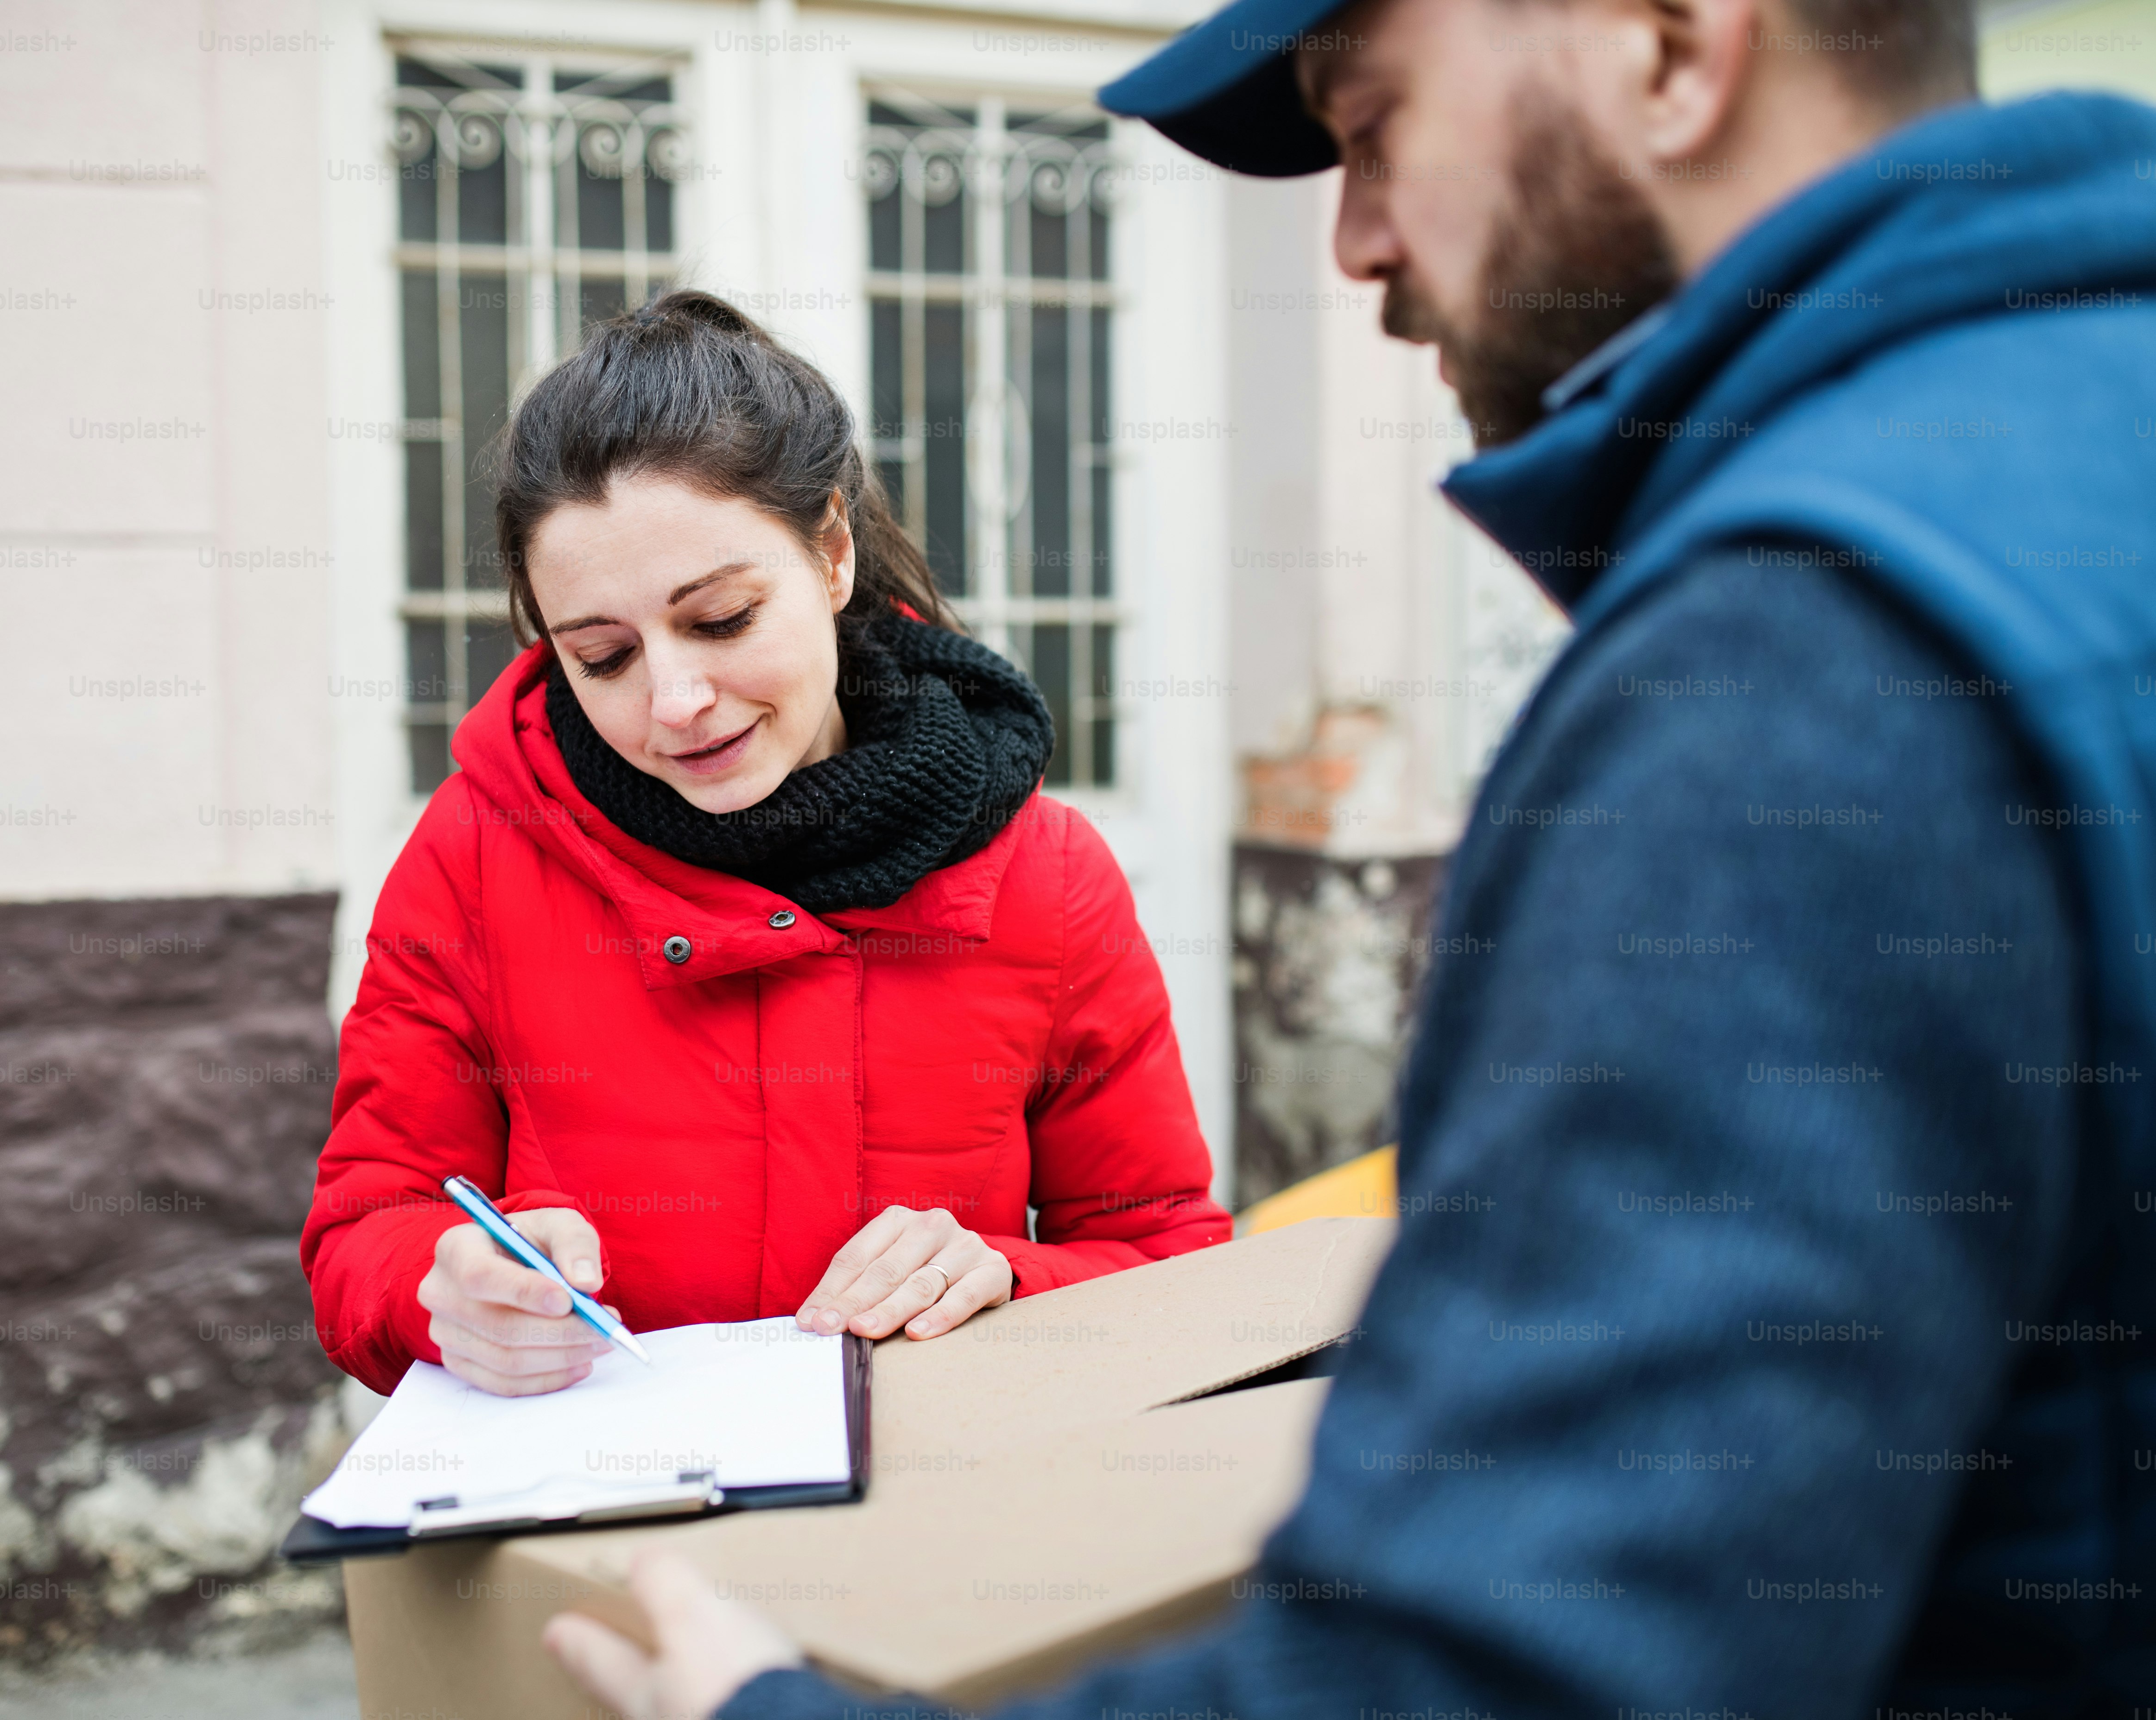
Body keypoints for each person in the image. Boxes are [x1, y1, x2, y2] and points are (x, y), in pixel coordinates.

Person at [541, 0, 2156, 1713]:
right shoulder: (2077, 450)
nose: (1356, 241)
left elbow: (1507, 1665)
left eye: (1374, 127)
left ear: (1673, 49)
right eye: (601, 651)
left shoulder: (1790, 676)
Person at [300, 291, 1229, 1402]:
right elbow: (367, 1224)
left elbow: (1164, 1253)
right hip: (604, 1545)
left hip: (935, 1530)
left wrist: (1005, 1278)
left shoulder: (1046, 872)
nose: (677, 700)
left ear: (831, 553)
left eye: (723, 618)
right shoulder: (475, 854)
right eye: (602, 657)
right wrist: (437, 1291)